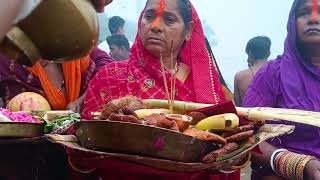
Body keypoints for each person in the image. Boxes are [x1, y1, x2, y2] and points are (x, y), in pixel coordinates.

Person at [73, 0, 241, 179]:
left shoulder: (204, 88)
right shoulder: (109, 76)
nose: (155, 26)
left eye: (169, 19)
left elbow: (226, 147)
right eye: (149, 16)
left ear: (189, 31)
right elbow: (84, 147)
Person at [243, 0, 320, 179]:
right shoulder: (272, 74)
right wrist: (296, 164)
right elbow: (245, 136)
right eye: (304, 13)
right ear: (292, 22)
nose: (314, 19)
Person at [234, 36, 271, 107]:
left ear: (250, 54)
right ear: (269, 53)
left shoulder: (239, 76)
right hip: (273, 117)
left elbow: (238, 107)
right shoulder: (278, 73)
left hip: (248, 117)